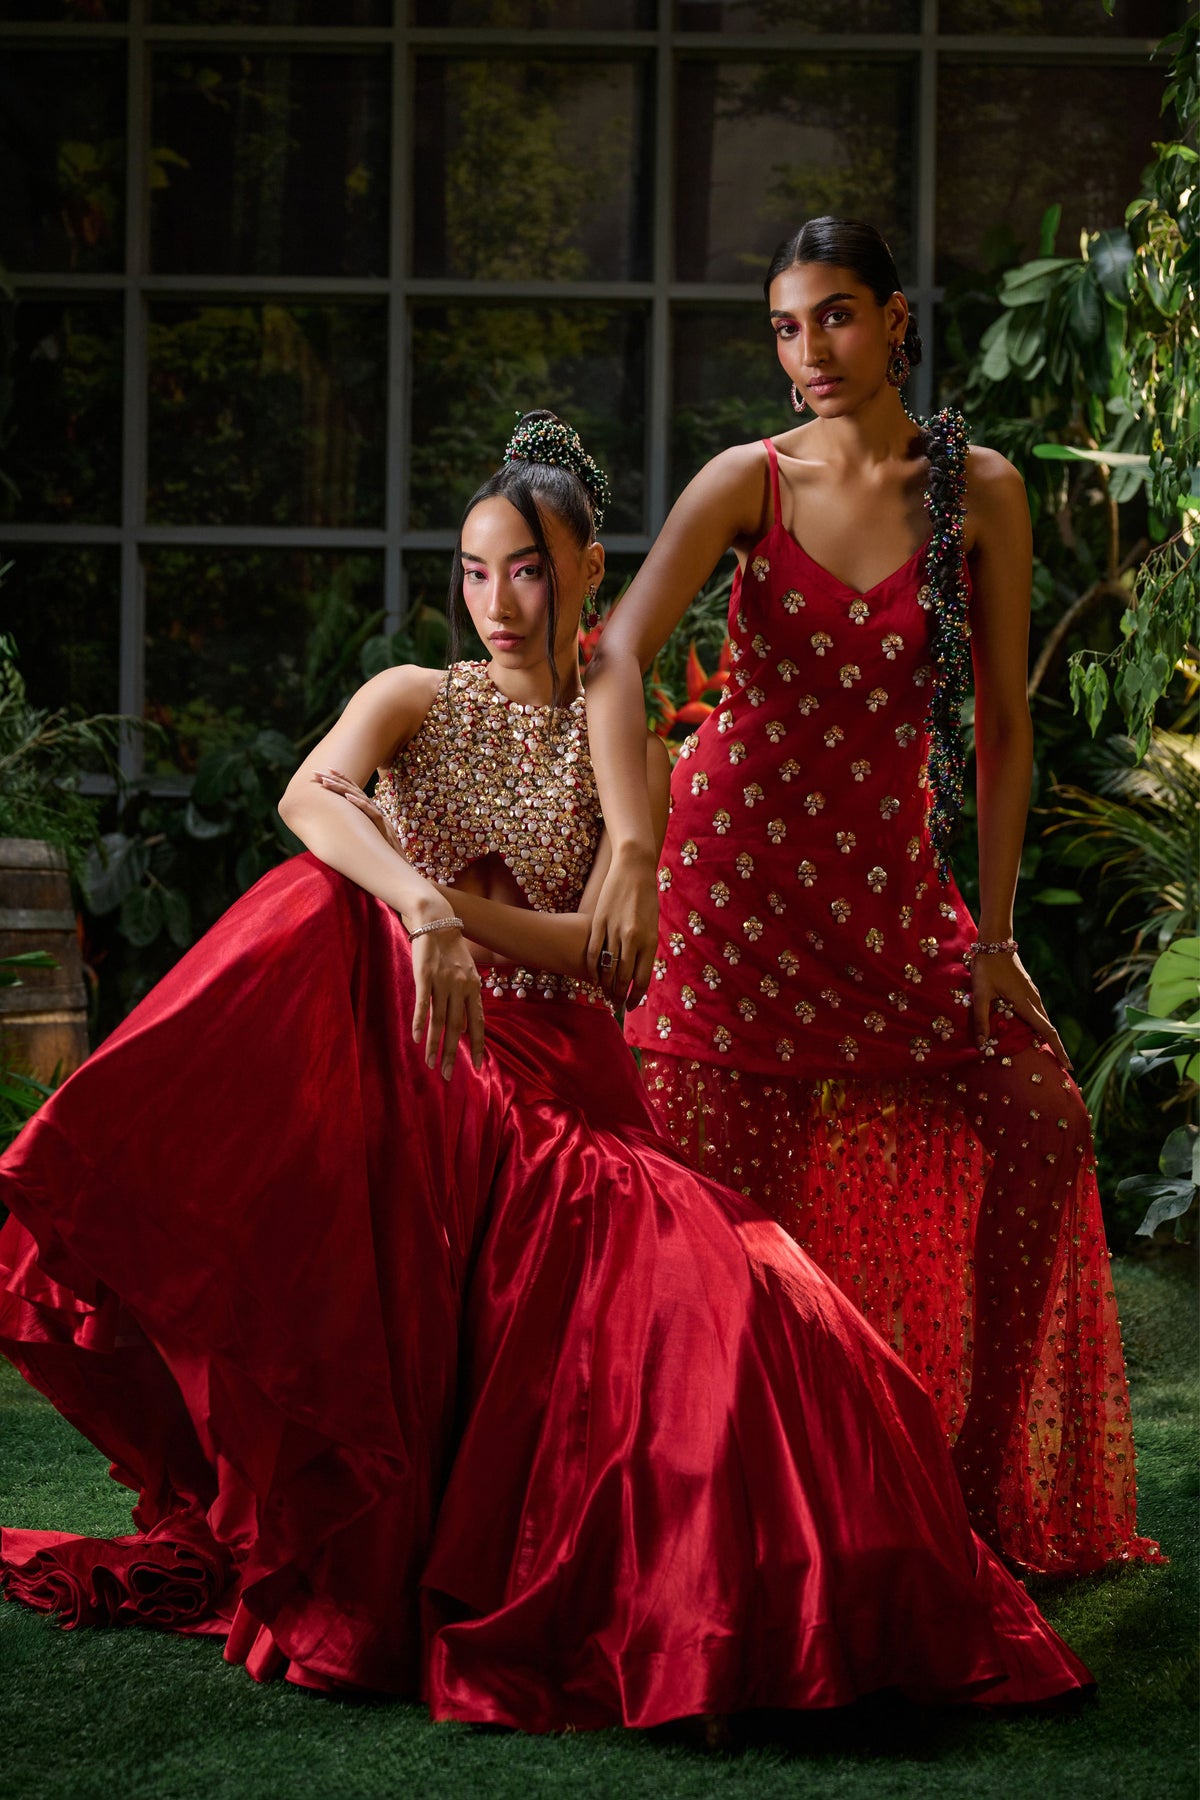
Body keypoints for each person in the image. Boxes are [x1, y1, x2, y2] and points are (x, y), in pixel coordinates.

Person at [0, 413, 1091, 1731]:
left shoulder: (630, 741)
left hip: (573, 1092)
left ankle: (801, 1606)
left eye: (523, 567)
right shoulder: (416, 696)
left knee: (758, 1306)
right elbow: (311, 794)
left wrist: (466, 913)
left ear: (586, 571)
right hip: (438, 1075)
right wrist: (422, 907)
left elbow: (609, 960)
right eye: (470, 569)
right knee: (313, 903)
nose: (493, 601)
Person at [581, 219, 1163, 1579]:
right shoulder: (751, 483)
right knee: (735, 1230)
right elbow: (616, 658)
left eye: (836, 317)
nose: (810, 352)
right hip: (734, 896)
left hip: (896, 901)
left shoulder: (980, 494)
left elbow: (1005, 726)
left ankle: (971, 1497)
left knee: (1040, 1122)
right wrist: (628, 847)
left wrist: (999, 932)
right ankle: (740, 1530)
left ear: (898, 322)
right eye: (787, 327)